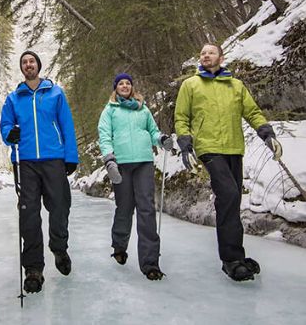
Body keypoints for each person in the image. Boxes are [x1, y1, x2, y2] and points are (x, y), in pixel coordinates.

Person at [174, 43, 282, 282]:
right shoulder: (190, 85)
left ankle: (237, 256)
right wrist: (185, 144)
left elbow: (252, 112)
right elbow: (182, 117)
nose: (205, 55)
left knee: (231, 203)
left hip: (234, 148)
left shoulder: (236, 86)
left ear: (221, 57)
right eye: (202, 53)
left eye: (211, 52)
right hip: (208, 148)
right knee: (229, 195)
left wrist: (267, 133)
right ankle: (231, 260)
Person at [0, 51, 79, 293]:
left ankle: (59, 247)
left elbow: (66, 124)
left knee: (60, 206)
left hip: (53, 158)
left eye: (31, 61)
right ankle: (33, 269)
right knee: (29, 215)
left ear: (38, 65)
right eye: (24, 62)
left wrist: (71, 156)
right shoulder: (14, 98)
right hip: (26, 163)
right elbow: (5, 124)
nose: (28, 65)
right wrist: (8, 134)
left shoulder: (54, 93)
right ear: (22, 68)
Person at [98, 73, 173, 281]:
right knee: (124, 208)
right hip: (120, 164)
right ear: (116, 88)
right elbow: (104, 136)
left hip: (143, 162)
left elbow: (153, 131)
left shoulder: (143, 109)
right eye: (121, 83)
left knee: (147, 209)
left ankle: (150, 263)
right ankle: (119, 246)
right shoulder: (109, 110)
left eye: (128, 83)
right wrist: (109, 159)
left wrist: (162, 139)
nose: (124, 86)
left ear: (132, 88)